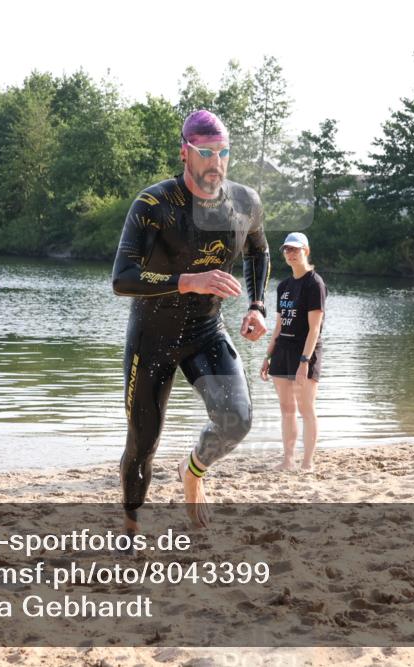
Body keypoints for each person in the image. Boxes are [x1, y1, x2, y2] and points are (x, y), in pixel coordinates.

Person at [111, 110, 270, 532]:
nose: (215, 161)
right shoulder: (154, 205)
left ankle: (193, 472)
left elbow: (259, 251)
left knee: (237, 418)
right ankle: (131, 524)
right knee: (143, 443)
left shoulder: (244, 203)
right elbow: (122, 279)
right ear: (185, 153)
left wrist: (257, 305)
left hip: (205, 332)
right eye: (205, 152)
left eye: (223, 152)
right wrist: (188, 281)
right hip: (152, 337)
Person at [260, 232, 326, 472]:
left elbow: (315, 328)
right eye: (287, 249)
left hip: (305, 353)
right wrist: (268, 356)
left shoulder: (314, 283)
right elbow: (279, 325)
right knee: (286, 409)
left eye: (295, 249)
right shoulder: (284, 286)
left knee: (306, 409)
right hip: (282, 351)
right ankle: (288, 461)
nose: (290, 253)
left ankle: (307, 463)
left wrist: (304, 361)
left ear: (306, 251)